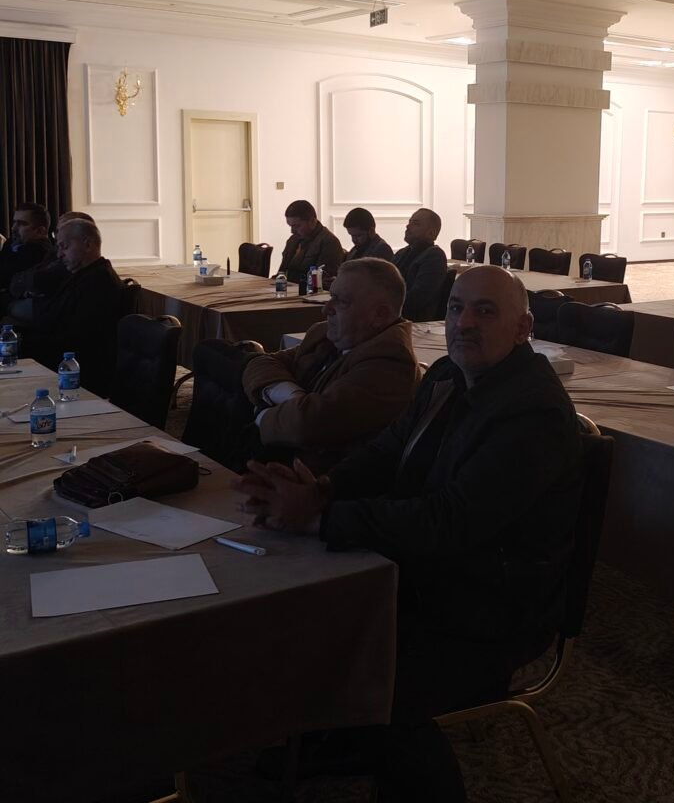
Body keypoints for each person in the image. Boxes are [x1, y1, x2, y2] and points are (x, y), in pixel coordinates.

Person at [234, 265, 583, 801]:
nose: (464, 322)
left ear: (523, 328)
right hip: (433, 574)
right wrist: (324, 490)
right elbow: (388, 450)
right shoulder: (447, 375)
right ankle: (350, 736)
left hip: (492, 605)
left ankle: (379, 742)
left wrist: (319, 519)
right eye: (455, 308)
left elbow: (450, 521)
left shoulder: (533, 414)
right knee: (304, 617)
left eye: (485, 311)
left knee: (368, 666)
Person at [241, 259, 420, 474]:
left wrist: (262, 414)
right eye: (330, 296)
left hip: (297, 470)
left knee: (222, 364)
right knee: (219, 354)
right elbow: (263, 362)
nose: (326, 309)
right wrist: (293, 397)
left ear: (379, 315)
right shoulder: (328, 335)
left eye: (341, 301)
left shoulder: (389, 366)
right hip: (272, 435)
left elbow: (307, 425)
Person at [16, 219, 124, 395]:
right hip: (59, 354)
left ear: (87, 244)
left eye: (64, 247)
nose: (59, 255)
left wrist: (22, 344)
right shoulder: (81, 275)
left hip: (78, 371)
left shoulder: (99, 283)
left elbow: (77, 339)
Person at [393, 207, 448, 322]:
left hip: (412, 320)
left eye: (416, 223)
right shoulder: (402, 253)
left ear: (431, 233)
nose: (408, 226)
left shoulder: (434, 256)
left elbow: (417, 298)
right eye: (409, 222)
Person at [278, 200, 346, 285]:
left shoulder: (329, 243)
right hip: (291, 288)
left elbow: (321, 281)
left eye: (297, 226)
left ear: (312, 221)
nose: (292, 231)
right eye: (291, 226)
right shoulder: (293, 240)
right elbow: (282, 272)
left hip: (308, 291)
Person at [0, 202, 52, 310]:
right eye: (14, 222)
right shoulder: (10, 243)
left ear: (40, 231)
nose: (13, 228)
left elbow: (8, 279)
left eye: (22, 224)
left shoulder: (41, 251)